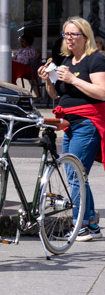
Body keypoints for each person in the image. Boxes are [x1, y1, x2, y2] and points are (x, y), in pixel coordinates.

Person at [42, 17, 105, 240]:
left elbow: (102, 92)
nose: (68, 39)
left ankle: (81, 227)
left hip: (87, 123)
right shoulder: (67, 61)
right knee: (77, 174)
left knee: (74, 174)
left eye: (73, 34)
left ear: (85, 37)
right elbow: (56, 95)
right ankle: (91, 224)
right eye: (66, 34)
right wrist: (48, 80)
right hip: (70, 124)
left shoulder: (95, 59)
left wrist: (72, 79)